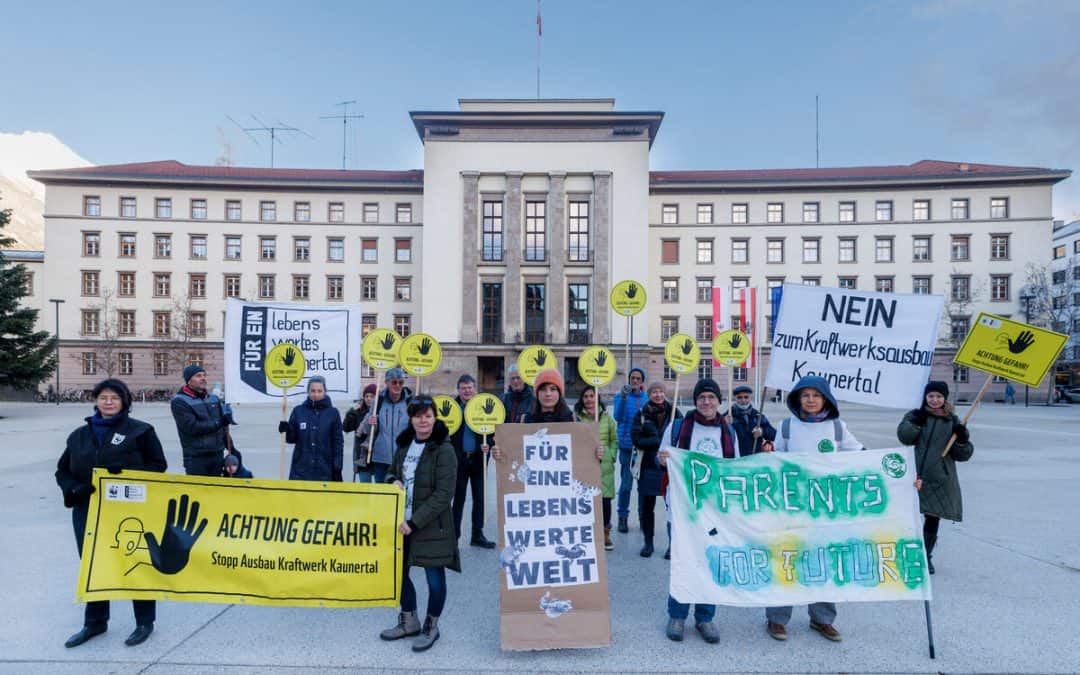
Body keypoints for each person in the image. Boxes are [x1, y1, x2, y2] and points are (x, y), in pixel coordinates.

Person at [55, 379, 167, 648]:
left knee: (134, 562)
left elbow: (158, 465)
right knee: (93, 565)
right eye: (103, 397)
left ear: (124, 402)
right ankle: (95, 622)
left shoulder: (140, 431)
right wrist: (74, 488)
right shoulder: (79, 435)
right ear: (95, 400)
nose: (108, 402)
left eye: (114, 397)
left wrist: (128, 473)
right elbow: (62, 470)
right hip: (88, 510)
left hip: (127, 511)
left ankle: (144, 621)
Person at [763, 375, 862, 643]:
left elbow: (864, 458)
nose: (810, 400)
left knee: (824, 561)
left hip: (827, 510)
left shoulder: (838, 428)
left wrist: (900, 472)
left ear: (825, 399)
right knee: (788, 559)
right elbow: (774, 462)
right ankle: (777, 618)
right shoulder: (786, 427)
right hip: (792, 508)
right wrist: (769, 452)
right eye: (805, 395)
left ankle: (822, 619)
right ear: (797, 399)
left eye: (815, 395)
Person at [657, 378, 737, 644]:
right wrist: (664, 459)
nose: (706, 402)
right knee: (683, 560)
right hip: (681, 508)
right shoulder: (678, 427)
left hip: (713, 511)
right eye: (702, 397)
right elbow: (661, 457)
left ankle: (705, 617)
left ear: (718, 401)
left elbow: (733, 468)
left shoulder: (728, 431)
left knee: (710, 561)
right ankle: (677, 615)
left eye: (711, 398)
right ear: (695, 400)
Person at [380, 396, 460, 652]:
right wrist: (392, 479)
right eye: (418, 416)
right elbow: (390, 471)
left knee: (434, 579)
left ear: (435, 418)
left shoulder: (444, 449)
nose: (423, 421)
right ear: (411, 418)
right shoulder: (404, 446)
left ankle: (431, 626)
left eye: (427, 416)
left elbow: (443, 495)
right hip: (401, 522)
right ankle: (409, 620)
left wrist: (414, 523)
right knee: (399, 574)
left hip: (431, 526)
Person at [896, 381, 974, 575]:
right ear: (925, 397)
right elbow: (905, 437)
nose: (935, 400)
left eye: (939, 396)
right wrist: (916, 422)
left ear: (944, 398)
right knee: (908, 517)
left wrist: (962, 439)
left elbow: (963, 455)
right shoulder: (915, 415)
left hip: (939, 477)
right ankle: (907, 554)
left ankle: (925, 556)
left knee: (932, 519)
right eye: (931, 396)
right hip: (914, 474)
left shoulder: (953, 421)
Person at [630, 382, 682, 560]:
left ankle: (672, 544)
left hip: (668, 466)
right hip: (647, 466)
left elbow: (683, 435)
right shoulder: (642, 414)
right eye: (654, 392)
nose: (658, 395)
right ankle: (648, 542)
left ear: (665, 393)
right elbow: (636, 439)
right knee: (646, 508)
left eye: (661, 391)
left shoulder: (675, 412)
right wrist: (657, 441)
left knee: (672, 507)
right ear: (649, 394)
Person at [489, 369, 576, 460]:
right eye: (543, 389)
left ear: (559, 393)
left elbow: (581, 451)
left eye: (553, 389)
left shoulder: (571, 419)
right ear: (537, 393)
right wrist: (501, 452)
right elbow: (515, 450)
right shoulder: (525, 419)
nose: (548, 394)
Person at [450, 374, 495, 548]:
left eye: (470, 387)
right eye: (463, 388)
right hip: (459, 460)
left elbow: (491, 432)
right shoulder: (452, 409)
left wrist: (488, 445)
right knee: (458, 499)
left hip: (478, 460)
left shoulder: (482, 407)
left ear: (474, 389)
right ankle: (454, 537)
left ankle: (477, 534)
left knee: (479, 498)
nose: (467, 390)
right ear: (458, 390)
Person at [574, 384, 619, 551]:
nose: (589, 399)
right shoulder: (577, 417)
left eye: (592, 396)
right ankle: (586, 533)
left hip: (604, 466)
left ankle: (605, 534)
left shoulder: (607, 417)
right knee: (585, 500)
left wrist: (611, 455)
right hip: (584, 464)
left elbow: (614, 440)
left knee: (605, 501)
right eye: (585, 396)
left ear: (597, 398)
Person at [170, 364, 235, 476]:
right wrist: (219, 422)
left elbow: (223, 428)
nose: (203, 378)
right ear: (189, 380)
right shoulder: (180, 401)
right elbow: (191, 427)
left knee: (216, 490)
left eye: (204, 375)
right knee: (198, 492)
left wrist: (232, 449)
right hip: (196, 456)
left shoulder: (213, 398)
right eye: (198, 376)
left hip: (217, 454)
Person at [279, 376, 344, 481]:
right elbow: (291, 439)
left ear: (325, 392)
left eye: (319, 391)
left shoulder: (333, 413)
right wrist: (286, 430)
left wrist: (337, 467)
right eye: (313, 391)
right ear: (308, 392)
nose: (316, 394)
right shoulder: (298, 411)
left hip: (324, 470)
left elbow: (338, 442)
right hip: (301, 470)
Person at [612, 367, 647, 533]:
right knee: (626, 485)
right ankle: (622, 516)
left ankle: (642, 516)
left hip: (642, 448)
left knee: (643, 486)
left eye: (638, 378)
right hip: (626, 446)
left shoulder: (646, 397)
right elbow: (617, 417)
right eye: (632, 378)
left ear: (642, 381)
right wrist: (624, 399)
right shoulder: (621, 396)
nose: (634, 381)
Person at [366, 368, 413, 483]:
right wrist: (370, 423)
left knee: (401, 494)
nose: (397, 385)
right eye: (394, 382)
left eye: (400, 382)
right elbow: (370, 432)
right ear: (386, 383)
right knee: (382, 495)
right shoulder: (378, 401)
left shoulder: (410, 402)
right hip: (381, 458)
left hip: (403, 458)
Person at [726, 385, 777, 455]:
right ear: (735, 398)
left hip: (754, 458)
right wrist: (725, 424)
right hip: (736, 458)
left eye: (746, 397)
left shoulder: (757, 416)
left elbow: (774, 434)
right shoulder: (727, 416)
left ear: (750, 398)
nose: (743, 400)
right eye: (739, 397)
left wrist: (762, 432)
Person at [343, 383, 378, 481]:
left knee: (378, 490)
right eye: (366, 396)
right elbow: (346, 428)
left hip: (377, 457)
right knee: (365, 489)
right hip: (362, 458)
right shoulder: (358, 412)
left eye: (372, 396)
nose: (368, 399)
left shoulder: (381, 412)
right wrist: (350, 413)